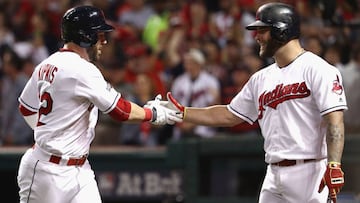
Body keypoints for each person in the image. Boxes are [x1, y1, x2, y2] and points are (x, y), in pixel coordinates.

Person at [150, 2, 347, 203]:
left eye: (262, 30)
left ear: (281, 30)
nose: (256, 36)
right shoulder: (261, 78)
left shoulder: (318, 69)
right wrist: (182, 112)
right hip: (273, 173)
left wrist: (334, 164)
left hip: (310, 172)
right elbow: (228, 115)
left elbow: (335, 120)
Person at [16, 5, 176, 203]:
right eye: (99, 34)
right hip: (47, 172)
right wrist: (152, 113)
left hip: (79, 169)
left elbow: (26, 107)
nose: (103, 41)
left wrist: (50, 133)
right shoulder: (83, 70)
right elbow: (121, 111)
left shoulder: (47, 63)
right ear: (86, 36)